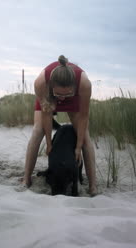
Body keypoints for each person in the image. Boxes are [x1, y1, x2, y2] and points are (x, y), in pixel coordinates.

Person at [22, 55, 97, 196]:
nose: (62, 99)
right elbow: (46, 114)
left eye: (66, 94)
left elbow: (83, 117)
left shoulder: (84, 84)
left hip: (73, 100)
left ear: (74, 87)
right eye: (59, 94)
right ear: (51, 85)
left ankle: (93, 186)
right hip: (49, 98)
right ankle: (26, 179)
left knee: (85, 136)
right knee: (37, 131)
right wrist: (49, 143)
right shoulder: (41, 83)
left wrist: (78, 147)